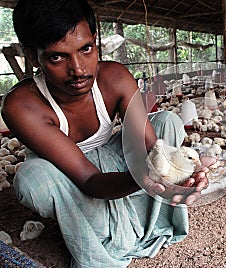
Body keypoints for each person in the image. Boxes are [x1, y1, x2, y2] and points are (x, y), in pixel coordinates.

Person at [2, 0, 208, 267]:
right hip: (72, 181)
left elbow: (152, 149)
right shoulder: (22, 105)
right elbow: (89, 179)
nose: (78, 69)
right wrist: (142, 179)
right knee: (32, 178)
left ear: (95, 40)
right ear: (32, 56)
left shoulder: (115, 77)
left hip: (117, 160)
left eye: (86, 49)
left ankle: (124, 218)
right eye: (57, 56)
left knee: (167, 122)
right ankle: (97, 230)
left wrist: (182, 170)